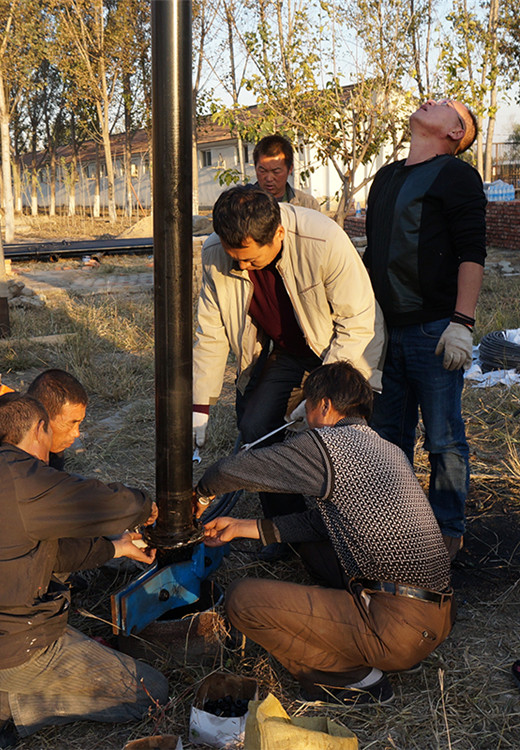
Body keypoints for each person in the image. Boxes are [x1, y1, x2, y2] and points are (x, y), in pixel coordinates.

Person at [197, 362, 454, 705]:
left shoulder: (329, 444)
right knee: (315, 544)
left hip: (398, 627)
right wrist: (245, 528)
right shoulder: (387, 449)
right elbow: (325, 525)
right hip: (435, 617)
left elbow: (238, 468)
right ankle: (370, 643)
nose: (304, 417)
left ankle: (352, 676)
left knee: (242, 600)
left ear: (324, 406)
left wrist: (198, 495)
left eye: (308, 406)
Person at [0, 392, 168, 747]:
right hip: (14, 650)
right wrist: (149, 508)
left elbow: (46, 555)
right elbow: (102, 502)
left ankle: (0, 684)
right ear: (40, 429)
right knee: (152, 691)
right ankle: (14, 706)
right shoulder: (25, 479)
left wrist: (115, 547)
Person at [192, 184, 384, 529]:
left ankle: (354, 526)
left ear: (278, 233)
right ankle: (284, 527)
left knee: (344, 436)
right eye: (235, 257)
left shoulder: (323, 240)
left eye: (250, 258)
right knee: (255, 426)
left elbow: (356, 323)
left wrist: (317, 395)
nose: (242, 265)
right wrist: (200, 406)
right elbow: (211, 332)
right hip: (289, 351)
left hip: (344, 351)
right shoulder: (215, 254)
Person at [364, 98, 486, 559]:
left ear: (456, 132)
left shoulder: (457, 175)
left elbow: (472, 253)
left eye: (448, 106)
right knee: (387, 438)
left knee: (443, 437)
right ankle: (394, 528)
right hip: (384, 332)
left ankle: (446, 535)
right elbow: (374, 252)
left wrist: (461, 324)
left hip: (434, 332)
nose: (433, 99)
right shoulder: (386, 177)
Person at [0, 368, 87, 470]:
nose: (76, 433)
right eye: (71, 423)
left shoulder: (47, 444)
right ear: (42, 420)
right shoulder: (1, 455)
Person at [253, 134, 321, 211]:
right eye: (262, 171)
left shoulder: (307, 205)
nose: (269, 178)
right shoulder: (242, 205)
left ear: (290, 169)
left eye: (276, 172)